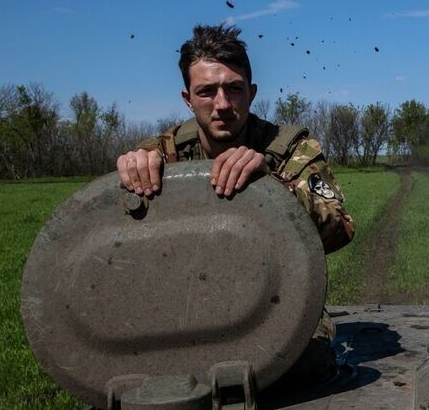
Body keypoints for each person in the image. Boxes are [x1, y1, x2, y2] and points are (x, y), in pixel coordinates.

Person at [116, 23, 352, 380]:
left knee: (298, 371)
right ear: (187, 99)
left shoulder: (289, 149)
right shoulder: (162, 154)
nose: (223, 104)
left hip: (277, 299)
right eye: (207, 92)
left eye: (234, 89)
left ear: (252, 93)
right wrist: (132, 173)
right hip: (187, 301)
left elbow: (341, 229)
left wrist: (272, 191)